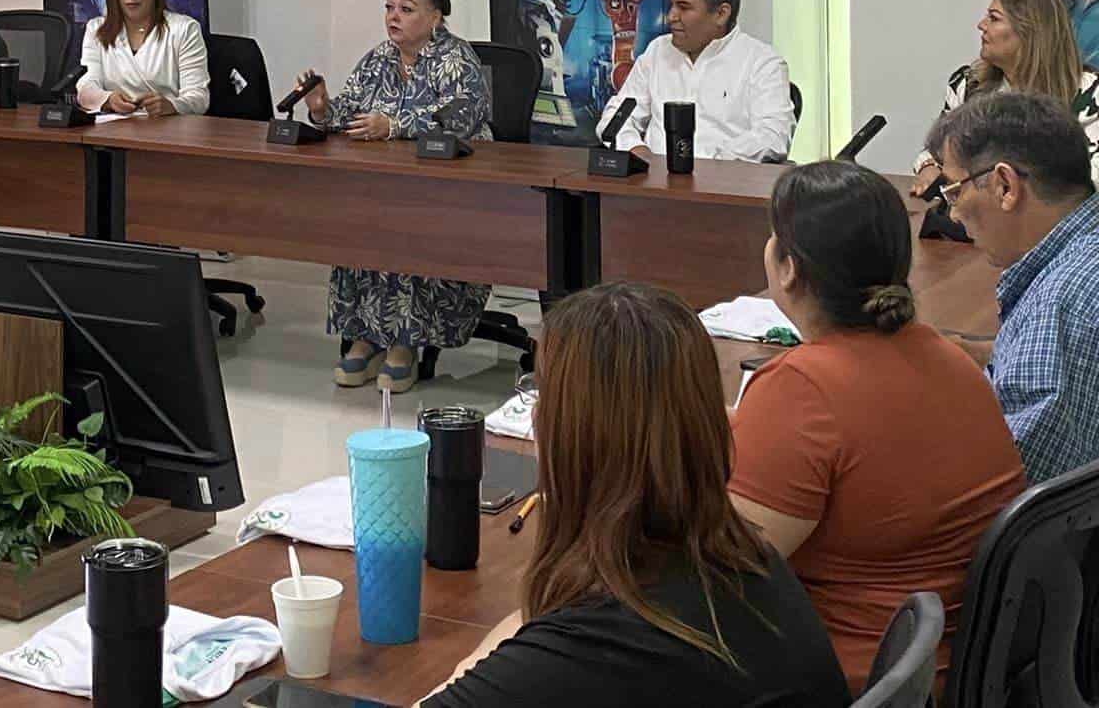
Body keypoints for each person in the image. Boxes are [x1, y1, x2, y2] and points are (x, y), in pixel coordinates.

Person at [422, 283, 850, 708]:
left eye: (543, 394)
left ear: (567, 434)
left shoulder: (602, 646)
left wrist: (474, 665)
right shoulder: (745, 558)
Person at [728, 161, 1026, 694]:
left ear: (789, 267)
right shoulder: (948, 356)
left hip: (855, 680)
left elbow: (720, 568)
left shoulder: (802, 388)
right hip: (948, 671)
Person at [296, 0, 492, 393]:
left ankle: (405, 343)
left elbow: (462, 117)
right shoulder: (377, 59)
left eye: (406, 8)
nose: (393, 17)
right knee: (361, 219)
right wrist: (321, 108)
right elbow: (349, 114)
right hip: (383, 182)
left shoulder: (456, 61)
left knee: (408, 222)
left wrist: (394, 125)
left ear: (436, 17)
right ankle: (366, 337)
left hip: (450, 188)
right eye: (389, 7)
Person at [925, 91, 1099, 484]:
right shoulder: (1081, 252)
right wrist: (979, 355)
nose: (952, 213)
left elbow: (1011, 485)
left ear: (1005, 185)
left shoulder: (1062, 302)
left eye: (954, 191)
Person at [912, 0, 1099, 196]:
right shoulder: (969, 85)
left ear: (1029, 32)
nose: (981, 26)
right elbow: (935, 151)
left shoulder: (1090, 92)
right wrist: (928, 168)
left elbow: (1091, 179)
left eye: (994, 18)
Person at [596, 0, 796, 163]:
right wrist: (636, 149)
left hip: (725, 184)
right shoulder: (657, 51)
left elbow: (773, 136)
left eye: (683, 7)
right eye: (672, 5)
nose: (671, 16)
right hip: (653, 183)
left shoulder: (761, 63)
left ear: (721, 14)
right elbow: (616, 117)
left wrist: (711, 164)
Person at [75, 0, 209, 117]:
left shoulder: (184, 29)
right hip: (113, 133)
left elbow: (199, 98)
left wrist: (172, 106)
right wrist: (108, 99)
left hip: (168, 133)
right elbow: (86, 89)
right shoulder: (96, 29)